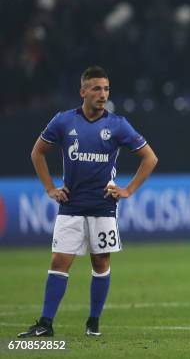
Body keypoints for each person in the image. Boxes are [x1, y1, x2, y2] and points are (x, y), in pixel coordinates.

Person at [18, 66, 158, 338]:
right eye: (96, 88)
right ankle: (45, 324)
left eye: (106, 89)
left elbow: (150, 158)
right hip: (70, 205)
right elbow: (37, 153)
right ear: (83, 92)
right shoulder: (63, 121)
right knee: (59, 262)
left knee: (100, 263)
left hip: (103, 206)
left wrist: (128, 190)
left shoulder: (118, 125)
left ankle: (93, 321)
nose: (102, 94)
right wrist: (50, 188)